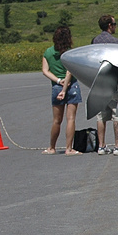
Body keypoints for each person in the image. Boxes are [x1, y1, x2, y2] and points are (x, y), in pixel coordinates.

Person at [42, 26, 82, 155]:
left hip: (56, 86)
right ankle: (69, 148)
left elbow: (45, 70)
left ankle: (52, 147)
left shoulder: (48, 52)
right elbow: (69, 71)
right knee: (70, 119)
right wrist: (64, 88)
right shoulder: (70, 53)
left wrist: (58, 81)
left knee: (56, 120)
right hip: (71, 86)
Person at [91, 16, 118, 154]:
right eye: (114, 24)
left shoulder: (95, 41)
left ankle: (101, 145)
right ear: (110, 26)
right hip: (112, 82)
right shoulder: (116, 42)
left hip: (99, 82)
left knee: (101, 116)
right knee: (116, 114)